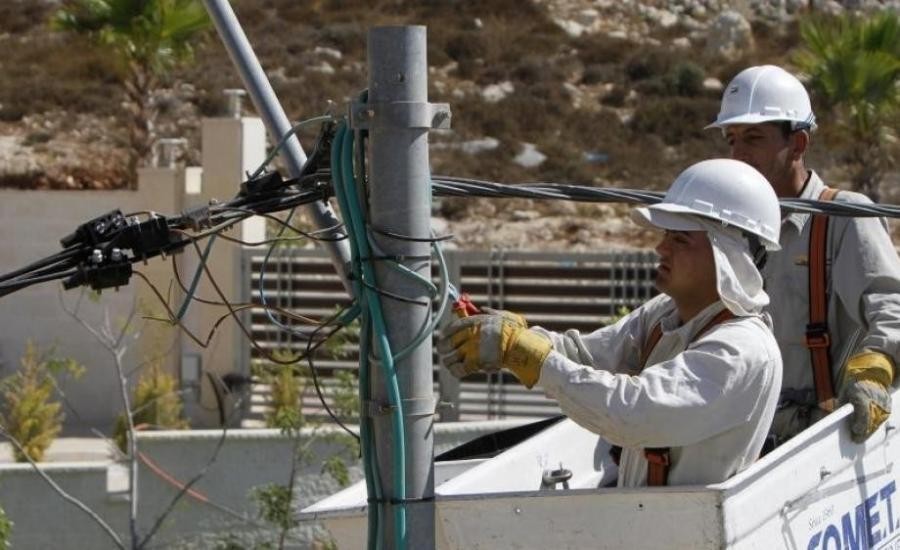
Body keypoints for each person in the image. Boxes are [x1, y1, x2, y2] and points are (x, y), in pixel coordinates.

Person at [439, 159, 783, 487]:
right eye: (666, 234)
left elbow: (632, 412)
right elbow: (586, 357)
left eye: (680, 239)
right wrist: (519, 338)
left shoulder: (742, 350)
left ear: (729, 257)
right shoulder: (665, 314)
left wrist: (528, 355)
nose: (661, 248)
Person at [708, 64, 900, 444]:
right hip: (743, 437)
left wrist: (874, 370)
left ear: (798, 143)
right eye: (731, 140)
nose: (738, 154)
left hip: (823, 444)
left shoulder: (842, 218)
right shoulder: (729, 229)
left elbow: (892, 307)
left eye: (753, 138)